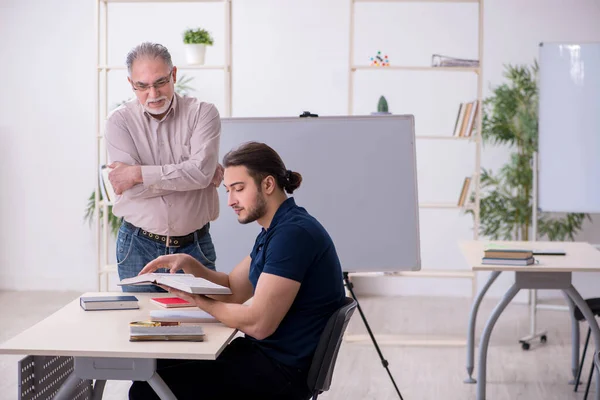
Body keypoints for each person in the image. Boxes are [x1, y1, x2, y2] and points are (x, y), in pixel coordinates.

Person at [129, 141, 346, 400]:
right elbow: (233, 289)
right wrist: (191, 264)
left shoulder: (292, 235)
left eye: (239, 189)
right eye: (228, 190)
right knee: (157, 367)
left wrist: (200, 302)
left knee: (147, 390)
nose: (231, 201)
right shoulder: (276, 229)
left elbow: (259, 323)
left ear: (267, 184)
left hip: (280, 373)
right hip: (264, 358)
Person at [104, 42, 223, 292]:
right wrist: (191, 176)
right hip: (137, 246)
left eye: (160, 82)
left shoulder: (203, 114)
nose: (153, 94)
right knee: (142, 325)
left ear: (174, 75)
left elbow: (200, 174)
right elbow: (131, 191)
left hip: (195, 245)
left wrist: (137, 174)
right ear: (131, 84)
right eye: (142, 86)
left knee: (202, 325)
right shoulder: (119, 122)